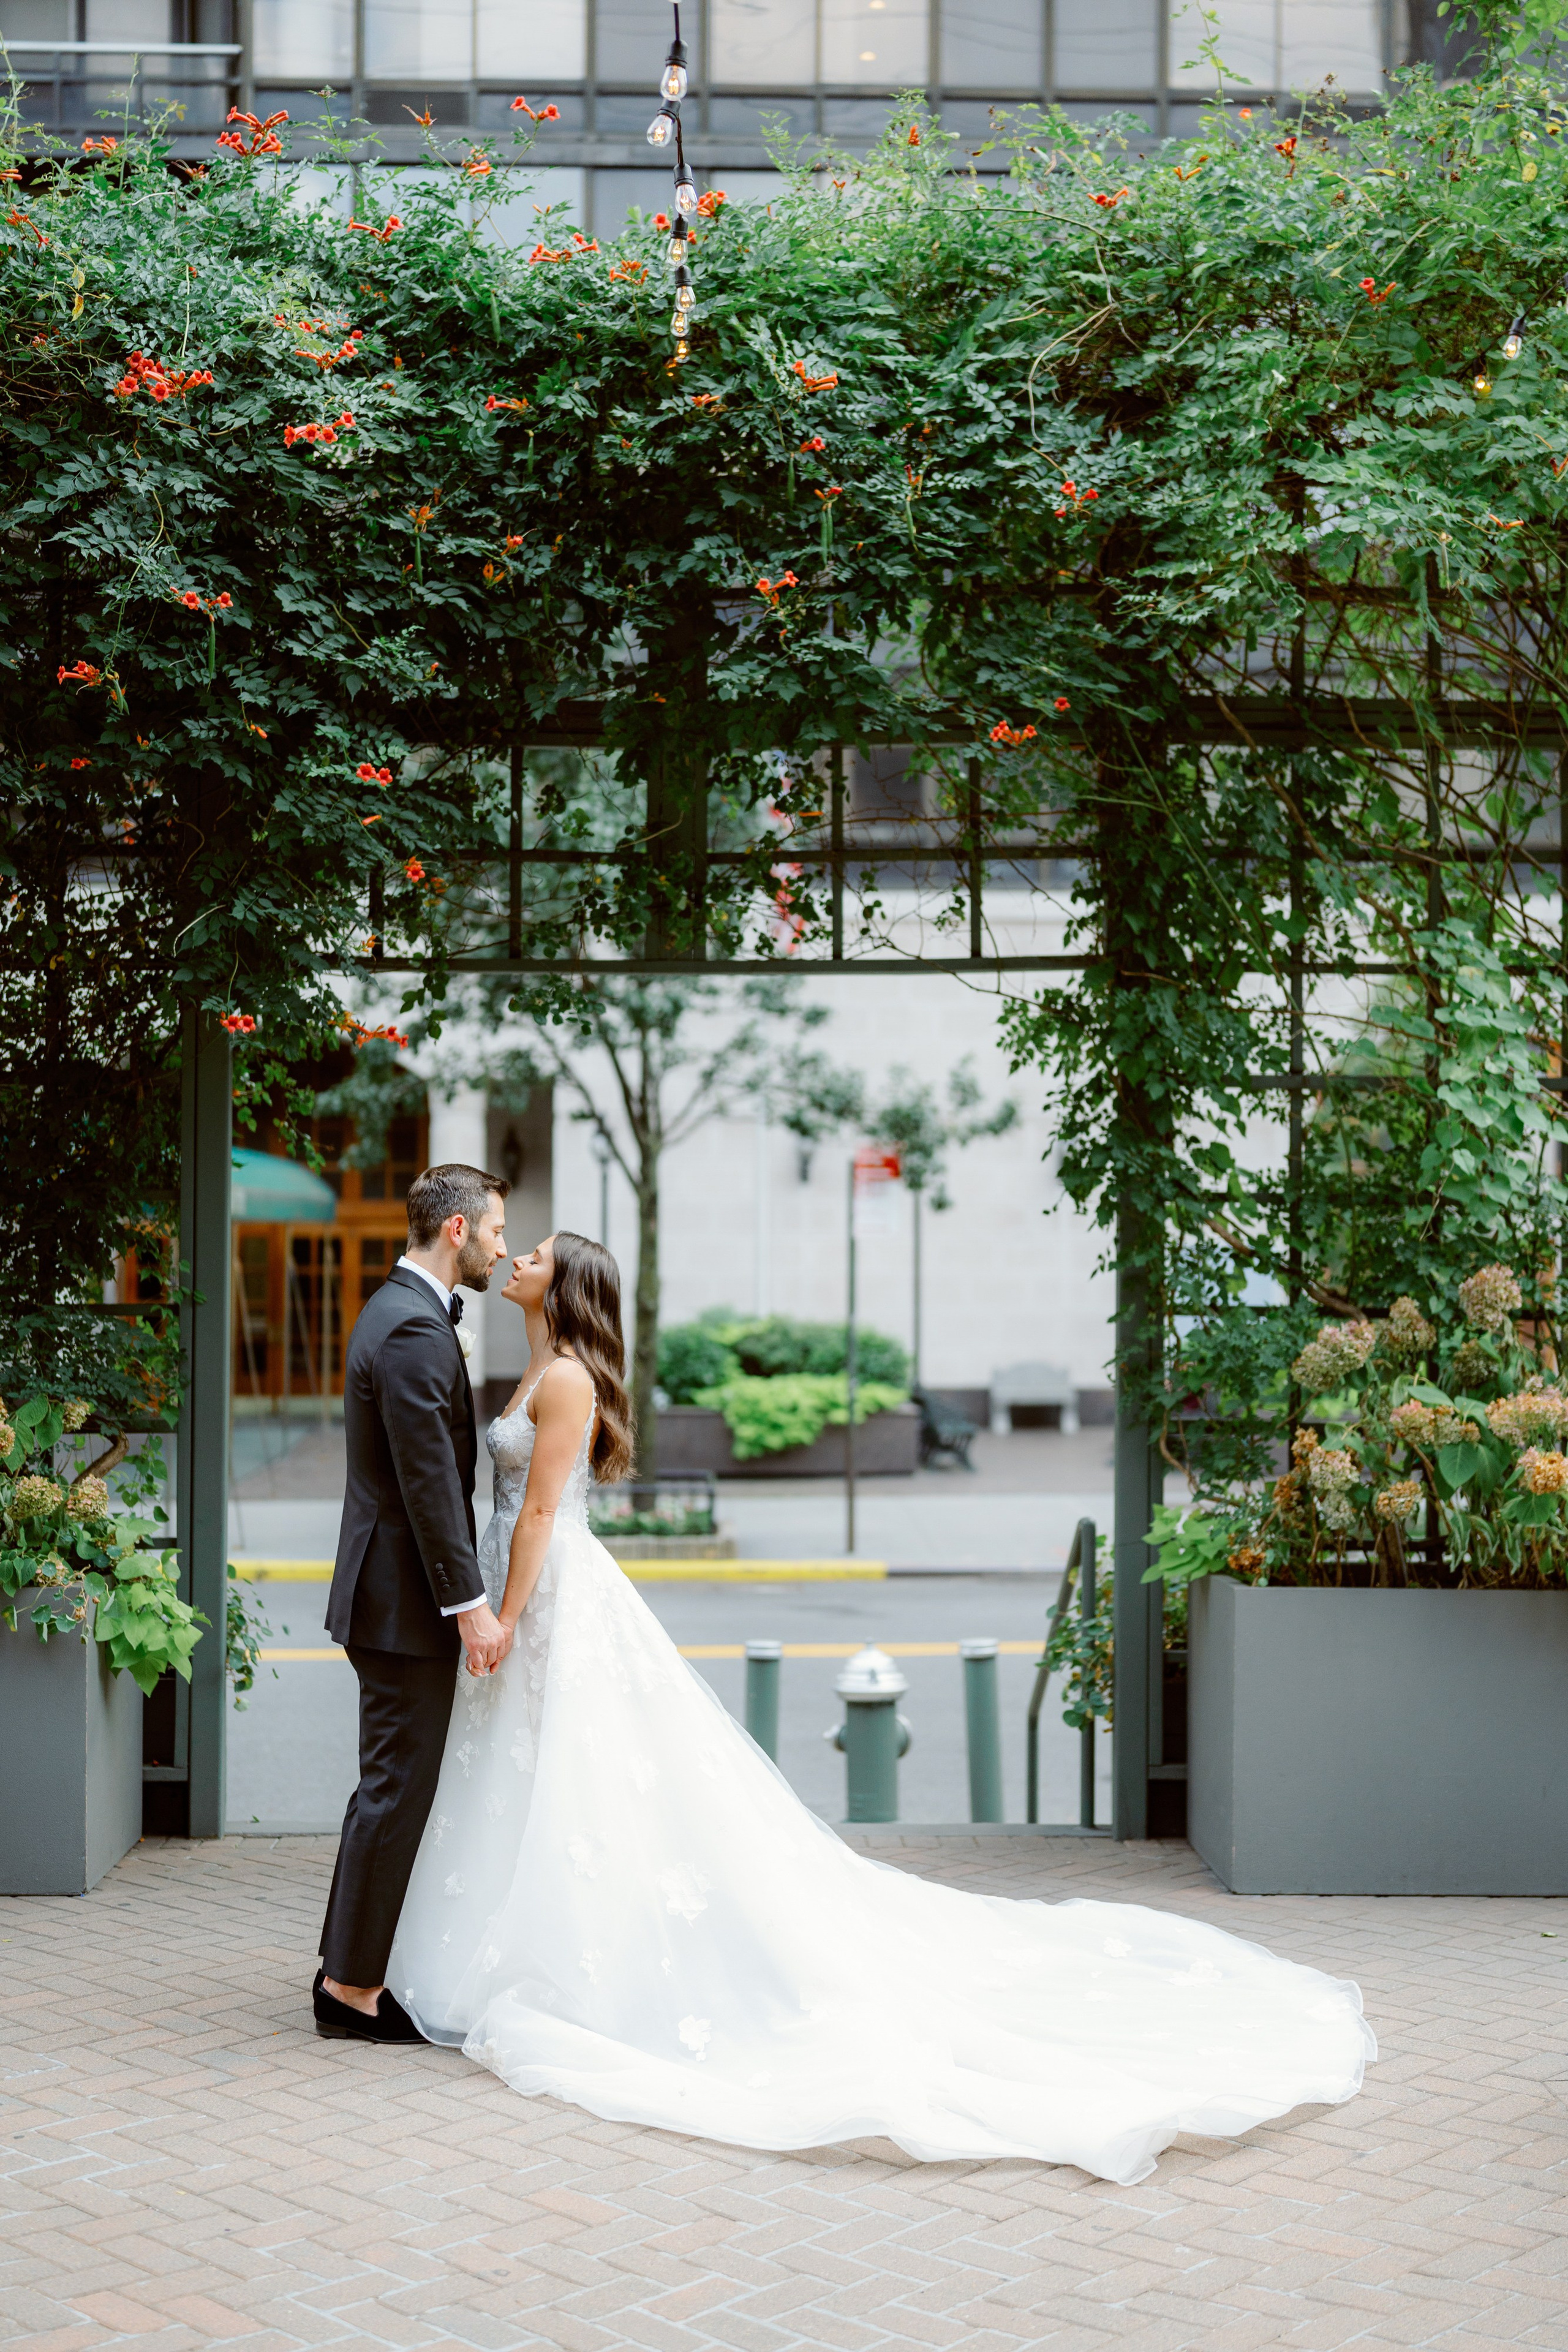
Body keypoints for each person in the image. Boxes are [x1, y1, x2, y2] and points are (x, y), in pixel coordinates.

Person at [386, 1232, 1377, 2185]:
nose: (516, 1261)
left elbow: (547, 1513)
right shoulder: (535, 1368)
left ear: (561, 1290)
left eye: (538, 1258)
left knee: (584, 1774)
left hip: (555, 1596)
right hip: (540, 1594)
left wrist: (502, 1616)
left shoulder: (563, 1381)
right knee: (553, 1775)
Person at [312, 1162, 511, 2043]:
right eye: (498, 1231)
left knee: (385, 1788)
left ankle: (343, 1970)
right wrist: (469, 1604)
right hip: (402, 1605)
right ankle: (350, 1991)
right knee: (396, 1790)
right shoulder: (410, 1331)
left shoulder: (405, 1314)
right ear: (458, 1231)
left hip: (393, 1598)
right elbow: (429, 1486)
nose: (504, 1249)